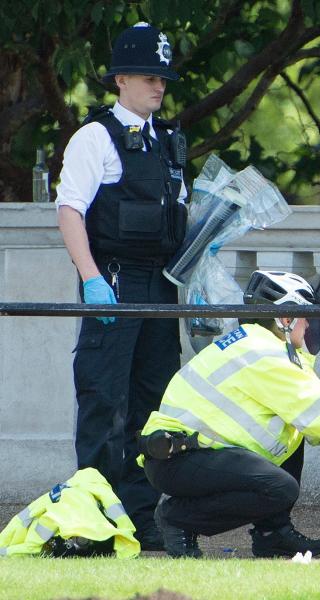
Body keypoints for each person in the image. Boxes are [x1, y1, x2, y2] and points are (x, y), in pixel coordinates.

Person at [140, 271, 320, 558]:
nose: (308, 325)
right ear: (285, 318)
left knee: (290, 439)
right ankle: (178, 518)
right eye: (305, 316)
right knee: (279, 489)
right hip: (178, 460)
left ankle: (273, 534)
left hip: (187, 456)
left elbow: (308, 420)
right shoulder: (266, 355)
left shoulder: (259, 343)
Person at [55, 22, 189, 550]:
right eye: (149, 76)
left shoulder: (167, 141)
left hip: (160, 286)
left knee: (153, 406)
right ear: (121, 79)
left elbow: (176, 217)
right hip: (114, 280)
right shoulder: (96, 136)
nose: (159, 86)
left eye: (163, 77)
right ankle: (94, 523)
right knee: (104, 405)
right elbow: (70, 210)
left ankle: (143, 519)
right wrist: (91, 279)